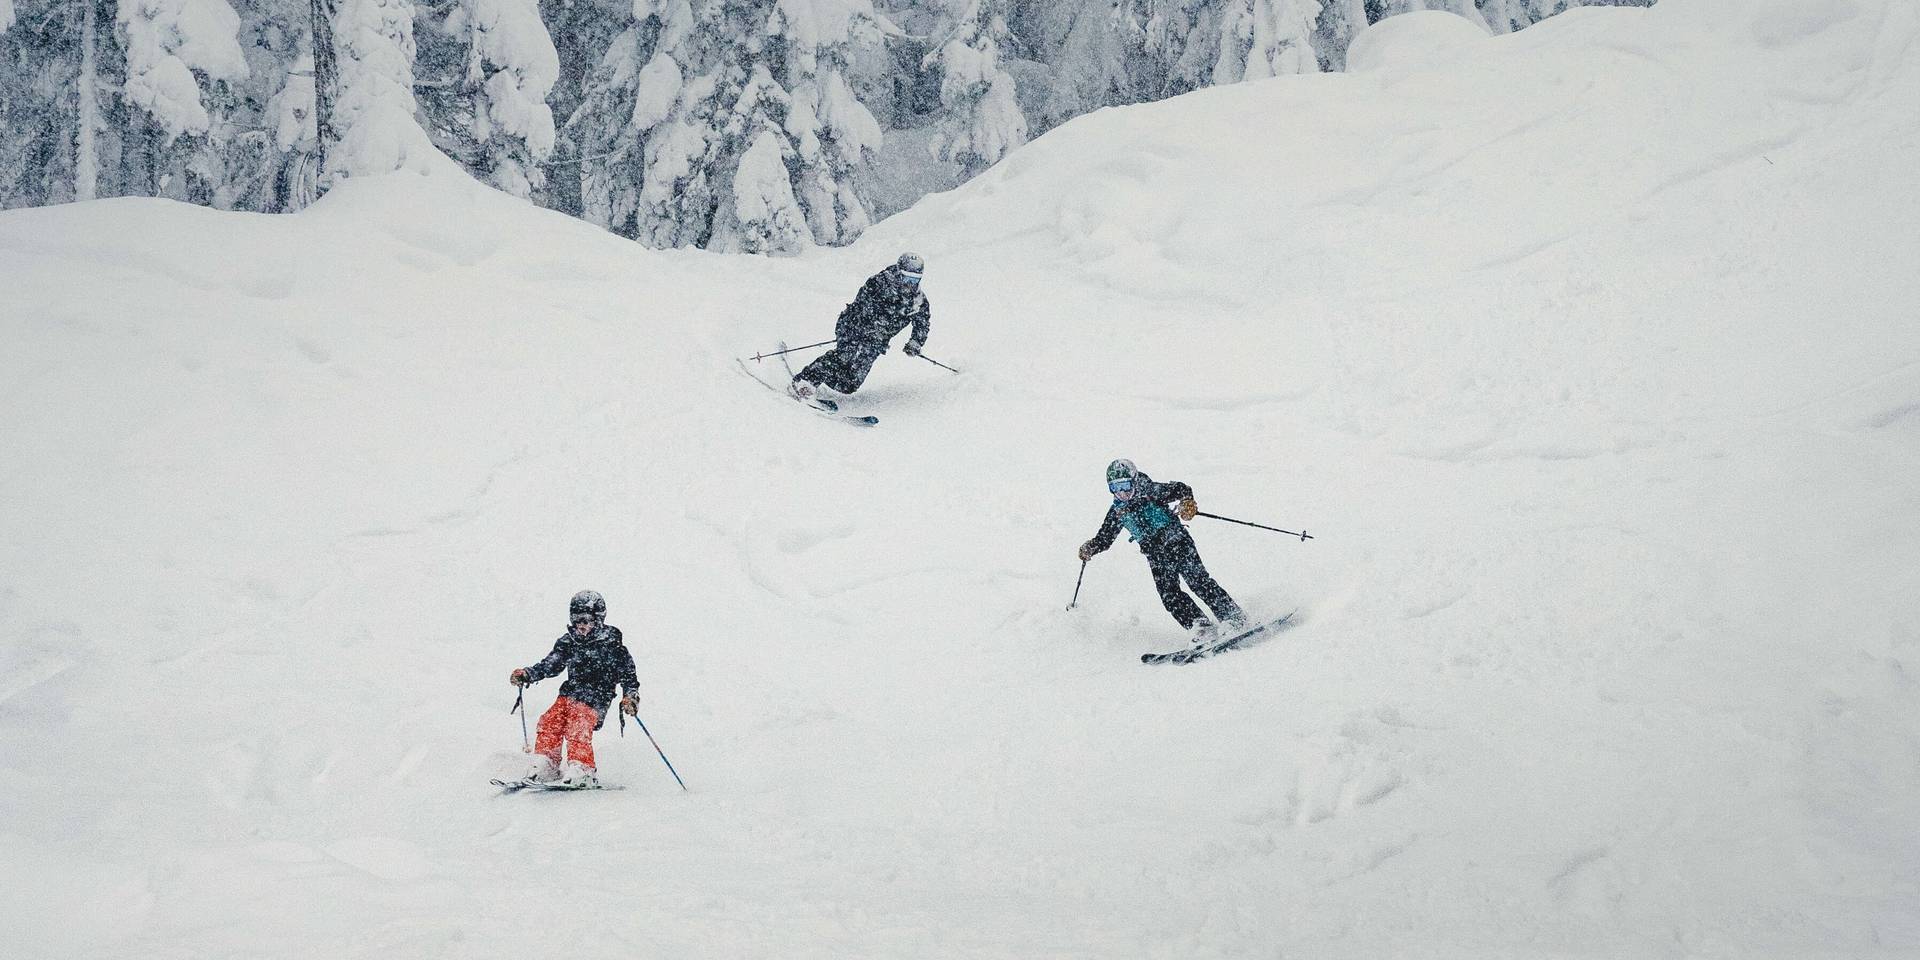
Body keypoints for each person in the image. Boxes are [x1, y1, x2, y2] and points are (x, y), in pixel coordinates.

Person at [1078, 460, 1246, 643]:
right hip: (1156, 555)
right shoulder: (1117, 512)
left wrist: (1187, 503)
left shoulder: (1152, 491)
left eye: (1125, 485)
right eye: (1115, 488)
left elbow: (1182, 489)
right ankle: (1201, 627)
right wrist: (1091, 547)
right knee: (1169, 595)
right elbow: (1105, 538)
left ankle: (1233, 618)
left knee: (1199, 581)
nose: (1122, 493)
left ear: (1134, 480)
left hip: (1177, 543)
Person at [508, 590, 640, 786]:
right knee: (550, 720)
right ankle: (547, 761)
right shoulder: (569, 642)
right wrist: (528, 674)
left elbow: (629, 677)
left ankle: (584, 768)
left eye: (586, 620)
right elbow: (550, 664)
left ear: (598, 619)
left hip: (596, 698)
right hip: (570, 694)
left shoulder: (613, 646)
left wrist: (630, 698)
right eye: (576, 620)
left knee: (577, 724)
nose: (581, 626)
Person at [791, 252, 931, 402]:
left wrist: (915, 342)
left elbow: (922, 322)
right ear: (898, 272)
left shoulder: (918, 301)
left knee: (850, 384)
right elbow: (862, 306)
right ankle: (806, 380)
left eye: (915, 280)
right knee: (844, 357)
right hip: (852, 327)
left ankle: (823, 375)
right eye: (907, 278)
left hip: (876, 341)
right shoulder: (878, 283)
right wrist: (867, 329)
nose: (910, 284)